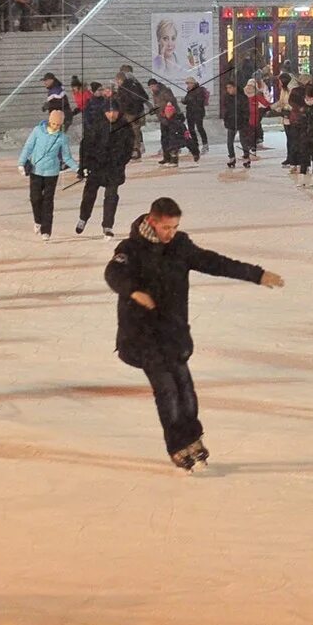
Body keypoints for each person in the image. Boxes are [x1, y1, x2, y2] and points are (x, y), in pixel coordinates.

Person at [103, 196, 284, 471]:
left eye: (175, 227)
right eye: (166, 228)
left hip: (173, 332)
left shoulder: (180, 245)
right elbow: (113, 272)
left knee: (185, 389)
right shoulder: (130, 248)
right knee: (167, 390)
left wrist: (256, 275)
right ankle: (177, 445)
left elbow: (214, 262)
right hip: (142, 334)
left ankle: (192, 439)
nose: (170, 233)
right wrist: (134, 291)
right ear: (152, 221)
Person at [77, 101, 135, 240]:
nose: (112, 114)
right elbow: (86, 146)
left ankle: (107, 226)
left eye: (114, 111)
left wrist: (121, 162)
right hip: (96, 166)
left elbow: (129, 147)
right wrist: (83, 166)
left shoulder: (125, 127)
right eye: (109, 111)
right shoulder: (97, 125)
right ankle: (83, 218)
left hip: (114, 168)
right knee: (89, 194)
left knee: (111, 196)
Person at [18, 109, 77, 240]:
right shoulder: (37, 131)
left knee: (48, 201)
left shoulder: (62, 138)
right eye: (54, 123)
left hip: (52, 172)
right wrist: (21, 163)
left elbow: (67, 157)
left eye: (58, 124)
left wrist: (77, 168)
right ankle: (38, 220)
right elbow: (28, 147)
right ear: (49, 121)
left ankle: (46, 230)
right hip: (36, 170)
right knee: (35, 198)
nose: (56, 126)